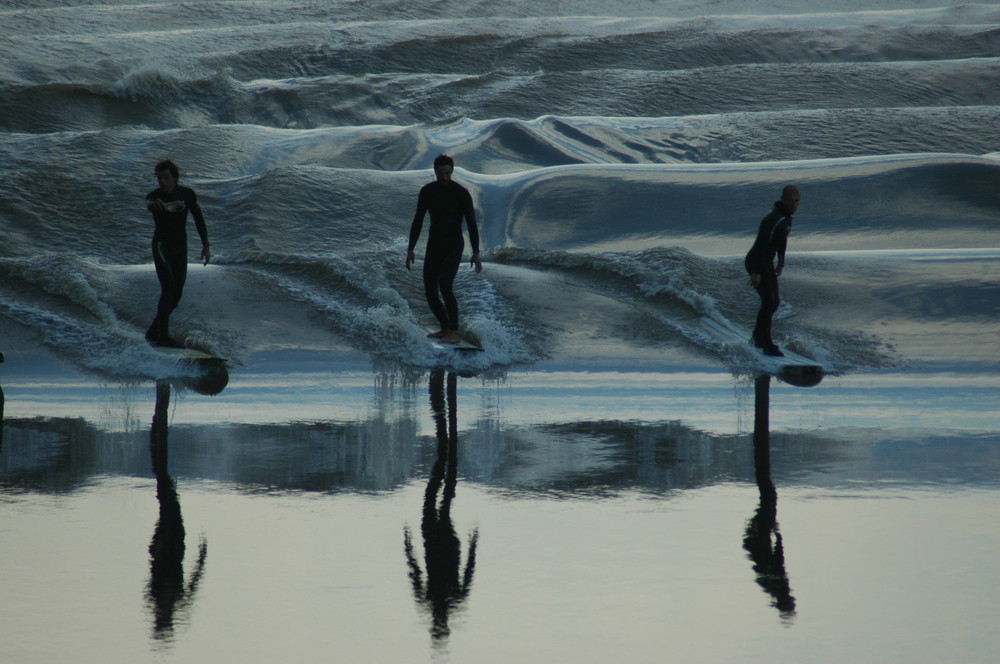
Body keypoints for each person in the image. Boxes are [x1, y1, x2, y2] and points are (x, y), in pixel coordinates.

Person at [406, 154, 482, 345]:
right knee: (429, 291)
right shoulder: (427, 192)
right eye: (441, 173)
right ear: (435, 171)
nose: (444, 177)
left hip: (454, 245)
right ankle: (445, 327)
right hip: (434, 244)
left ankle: (455, 332)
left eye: (448, 173)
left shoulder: (461, 193)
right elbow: (418, 221)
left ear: (452, 171)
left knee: (445, 286)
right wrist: (410, 249)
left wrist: (476, 252)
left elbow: (472, 224)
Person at [145, 159, 211, 347]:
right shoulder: (154, 197)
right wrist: (153, 203)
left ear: (175, 177)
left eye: (166, 177)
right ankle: (163, 336)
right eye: (159, 178)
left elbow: (198, 218)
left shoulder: (187, 194)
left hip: (180, 247)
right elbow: (149, 203)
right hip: (161, 246)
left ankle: (153, 331)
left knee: (177, 294)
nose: (162, 182)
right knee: (168, 287)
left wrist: (206, 245)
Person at [744, 185, 801, 357]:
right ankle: (765, 343)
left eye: (797, 201)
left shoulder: (786, 217)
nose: (793, 205)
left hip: (766, 262)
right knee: (769, 301)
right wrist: (756, 272)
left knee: (773, 302)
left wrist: (781, 263)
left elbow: (782, 241)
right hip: (757, 261)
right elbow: (762, 244)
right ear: (782, 199)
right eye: (790, 201)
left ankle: (757, 337)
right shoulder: (773, 219)